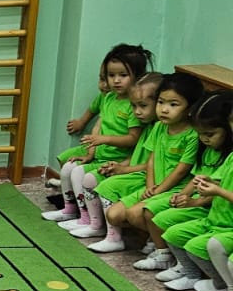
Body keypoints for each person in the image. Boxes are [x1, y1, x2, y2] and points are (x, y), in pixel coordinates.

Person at [43, 43, 153, 237]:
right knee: (68, 167)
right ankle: (73, 210)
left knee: (81, 175)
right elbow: (99, 123)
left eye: (123, 75)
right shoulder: (109, 98)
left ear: (138, 76)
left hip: (116, 158)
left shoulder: (134, 106)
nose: (116, 80)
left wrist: (104, 139)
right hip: (100, 152)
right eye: (111, 75)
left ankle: (93, 222)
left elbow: (133, 139)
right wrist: (91, 151)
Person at [86, 71, 200, 254]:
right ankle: (155, 239)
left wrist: (158, 190)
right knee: (113, 215)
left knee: (135, 213)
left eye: (173, 104)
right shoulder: (159, 126)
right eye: (161, 102)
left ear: (190, 108)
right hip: (154, 186)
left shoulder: (192, 135)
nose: (164, 109)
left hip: (173, 189)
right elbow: (152, 159)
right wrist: (150, 186)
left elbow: (181, 170)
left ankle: (162, 249)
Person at [130, 91, 233, 291]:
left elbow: (216, 191)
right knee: (164, 222)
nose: (204, 139)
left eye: (209, 134)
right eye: (200, 134)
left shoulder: (227, 155)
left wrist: (194, 202)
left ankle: (202, 276)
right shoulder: (208, 150)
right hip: (208, 207)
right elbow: (198, 178)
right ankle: (182, 267)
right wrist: (184, 195)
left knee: (173, 226)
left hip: (214, 211)